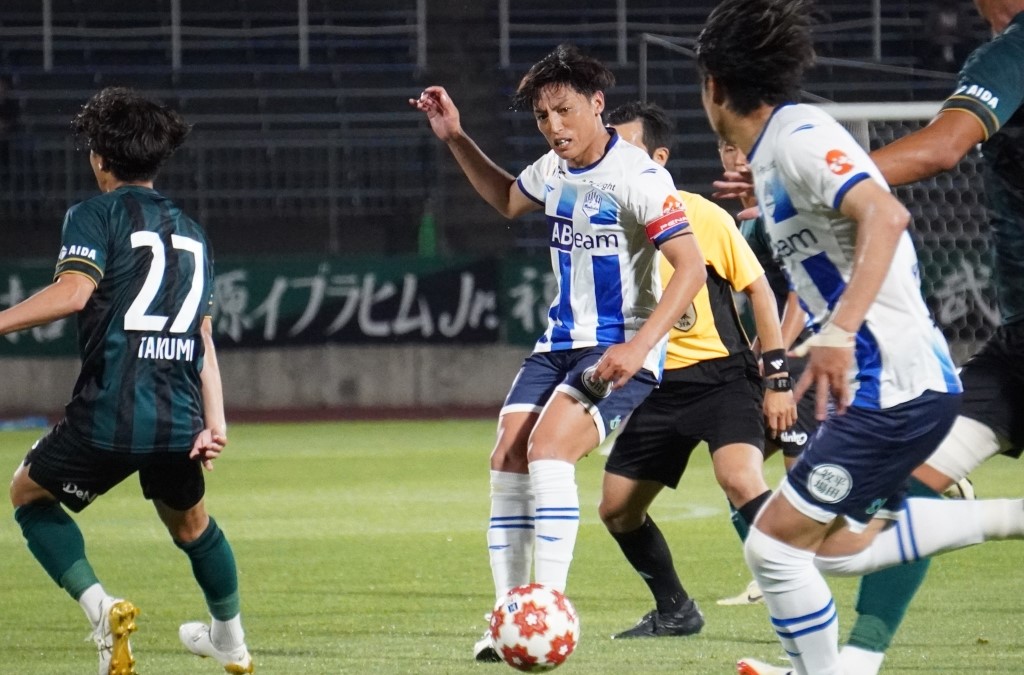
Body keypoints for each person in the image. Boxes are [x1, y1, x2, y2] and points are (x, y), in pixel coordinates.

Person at [695, 2, 1024, 674]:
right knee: (836, 548)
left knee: (774, 547)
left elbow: (886, 213)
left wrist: (839, 331)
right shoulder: (777, 153)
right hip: (899, 382)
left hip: (891, 386)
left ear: (713, 87)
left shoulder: (798, 139)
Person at [408, 44, 708, 662]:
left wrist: (640, 347)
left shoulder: (639, 177)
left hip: (618, 344)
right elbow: (507, 199)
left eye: (564, 111)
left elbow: (691, 268)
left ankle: (546, 610)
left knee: (548, 451)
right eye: (543, 116)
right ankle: (509, 621)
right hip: (559, 341)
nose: (553, 126)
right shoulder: (552, 168)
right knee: (507, 457)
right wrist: (456, 138)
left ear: (597, 104)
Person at [6, 87, 253, 675]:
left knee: (27, 495)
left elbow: (73, 293)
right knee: (192, 526)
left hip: (109, 413)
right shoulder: (193, 232)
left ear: (99, 157)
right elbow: (202, 336)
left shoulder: (94, 214)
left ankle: (102, 610)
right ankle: (231, 641)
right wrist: (215, 421)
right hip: (179, 418)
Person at [597, 100, 795, 639]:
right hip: (655, 388)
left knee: (740, 478)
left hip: (722, 378)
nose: (614, 157)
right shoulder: (603, 224)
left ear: (658, 158)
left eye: (626, 147)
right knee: (617, 510)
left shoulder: (700, 214)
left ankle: (801, 591)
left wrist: (777, 379)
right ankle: (676, 611)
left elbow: (760, 290)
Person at [712, 139, 819, 608]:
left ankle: (906, 493)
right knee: (739, 470)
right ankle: (773, 574)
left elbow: (801, 288)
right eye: (726, 148)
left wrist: (777, 358)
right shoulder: (748, 219)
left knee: (795, 483)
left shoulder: (780, 209)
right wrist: (757, 352)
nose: (736, 158)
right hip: (785, 354)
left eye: (745, 149)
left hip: (807, 353)